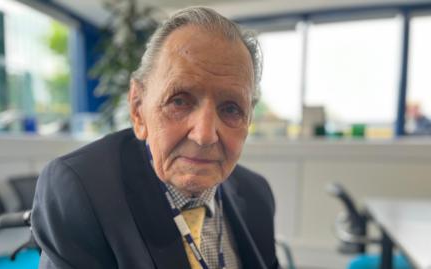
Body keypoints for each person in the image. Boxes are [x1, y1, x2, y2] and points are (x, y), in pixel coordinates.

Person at [31, 6, 279, 269]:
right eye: (180, 101)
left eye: (231, 109)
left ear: (248, 119)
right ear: (138, 109)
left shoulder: (256, 194)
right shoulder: (80, 191)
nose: (204, 135)